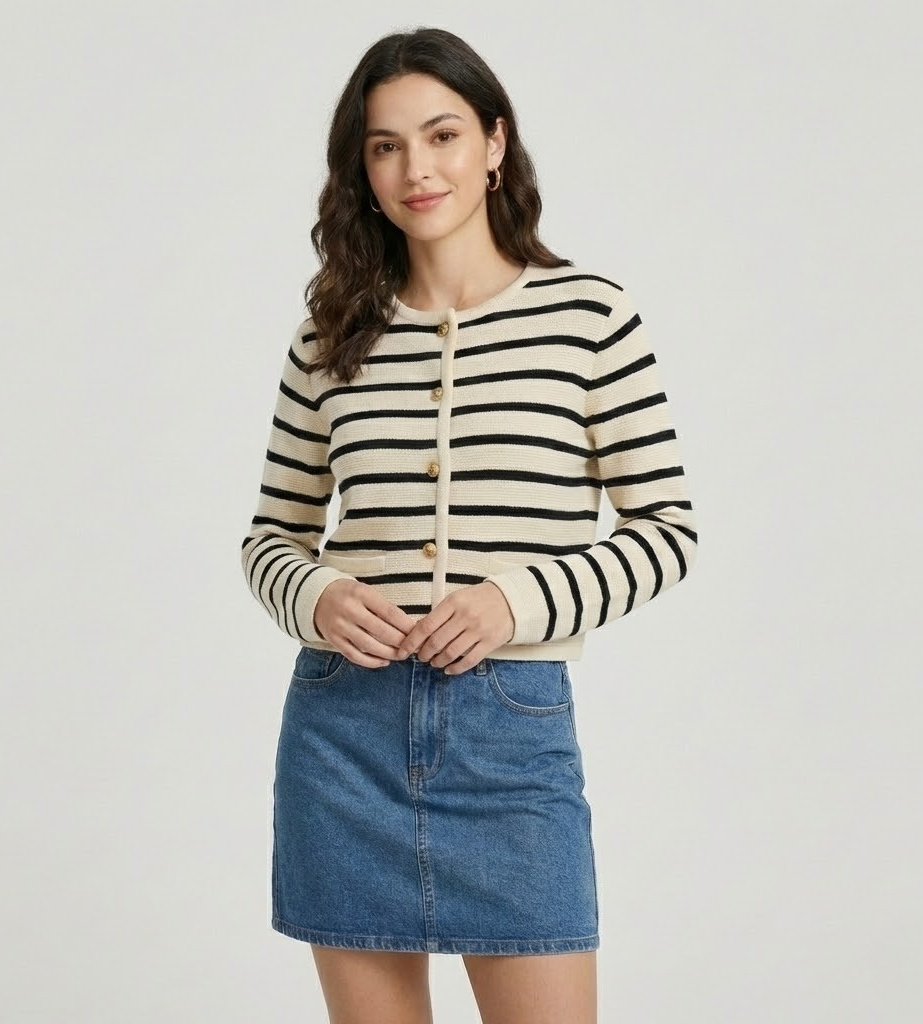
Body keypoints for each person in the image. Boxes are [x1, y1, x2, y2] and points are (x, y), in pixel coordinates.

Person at [239, 26, 698, 1024]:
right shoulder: (330, 336)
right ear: (361, 172)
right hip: (342, 733)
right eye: (386, 145)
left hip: (512, 736)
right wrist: (318, 597)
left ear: (494, 142)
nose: (417, 168)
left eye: (442, 135)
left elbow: (667, 528)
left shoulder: (589, 318)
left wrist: (514, 601)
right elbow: (270, 537)